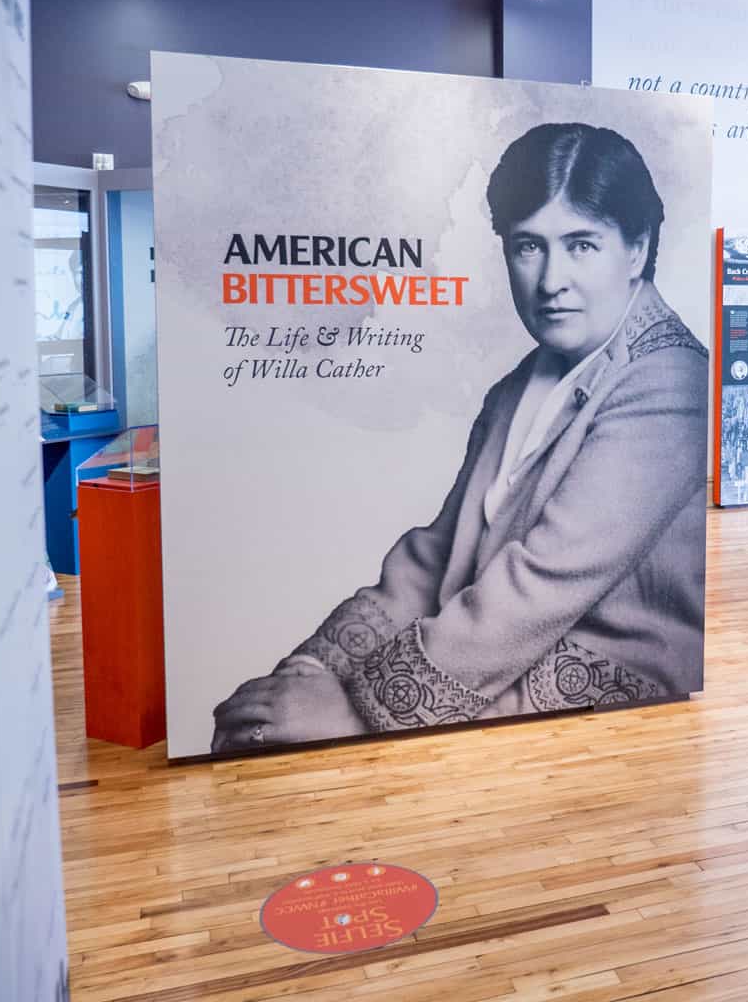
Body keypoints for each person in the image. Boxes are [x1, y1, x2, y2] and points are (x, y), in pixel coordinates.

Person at [211, 123, 708, 752]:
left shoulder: (670, 379)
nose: (551, 280)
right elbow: (435, 556)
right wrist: (313, 669)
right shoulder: (516, 387)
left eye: (581, 245)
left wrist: (356, 714)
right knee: (259, 728)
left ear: (636, 250)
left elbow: (540, 583)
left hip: (599, 702)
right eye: (528, 246)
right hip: (485, 665)